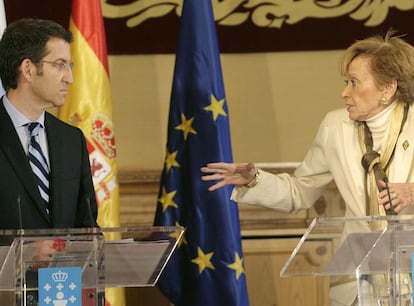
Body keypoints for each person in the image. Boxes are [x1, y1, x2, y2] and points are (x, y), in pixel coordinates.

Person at [201, 30, 414, 305]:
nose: (344, 93)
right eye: (345, 82)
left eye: (353, 82)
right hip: (357, 286)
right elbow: (301, 191)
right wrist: (254, 180)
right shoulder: (335, 127)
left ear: (387, 88)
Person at [0, 18, 99, 305]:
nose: (69, 77)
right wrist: (19, 255)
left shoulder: (71, 140)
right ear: (28, 69)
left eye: (70, 66)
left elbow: (88, 223)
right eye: (60, 65)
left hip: (62, 294)